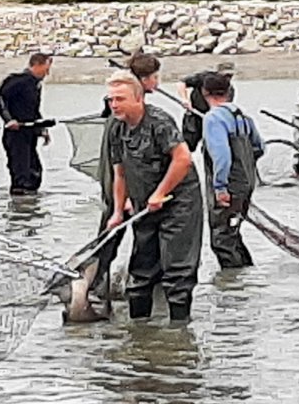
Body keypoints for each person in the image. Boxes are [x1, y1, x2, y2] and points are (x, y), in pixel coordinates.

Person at [106, 71, 203, 322]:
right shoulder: (116, 128)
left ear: (138, 99)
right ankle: (140, 330)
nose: (114, 105)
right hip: (143, 205)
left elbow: (183, 158)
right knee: (141, 272)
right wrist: (118, 210)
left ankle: (179, 331)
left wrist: (161, 193)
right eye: (111, 100)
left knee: (177, 272)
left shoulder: (159, 122)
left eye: (120, 99)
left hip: (179, 202)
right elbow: (120, 173)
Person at [90, 53, 163, 311]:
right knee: (112, 232)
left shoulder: (142, 114)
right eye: (155, 77)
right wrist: (127, 198)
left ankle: (118, 282)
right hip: (119, 186)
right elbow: (122, 165)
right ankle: (98, 282)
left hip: (124, 186)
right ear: (144, 80)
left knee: (127, 234)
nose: (158, 81)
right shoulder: (120, 118)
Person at [201, 72, 265, 269]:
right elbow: (259, 147)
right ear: (229, 92)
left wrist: (220, 187)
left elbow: (222, 156)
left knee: (222, 240)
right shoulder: (242, 116)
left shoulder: (213, 119)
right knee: (233, 234)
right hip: (246, 185)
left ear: (204, 93)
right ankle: (246, 278)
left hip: (228, 189)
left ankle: (233, 288)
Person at [0, 52, 53, 195]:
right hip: (15, 134)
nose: (47, 74)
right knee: (21, 174)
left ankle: (31, 207)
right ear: (36, 65)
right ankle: (19, 205)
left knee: (34, 173)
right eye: (46, 69)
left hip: (29, 132)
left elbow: (32, 111)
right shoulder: (17, 81)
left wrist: (42, 130)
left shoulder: (36, 85)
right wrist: (8, 119)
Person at [176, 61, 236, 152]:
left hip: (214, 120)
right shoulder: (204, 78)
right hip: (195, 116)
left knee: (213, 147)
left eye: (230, 76)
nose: (227, 78)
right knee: (187, 147)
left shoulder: (230, 90)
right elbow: (181, 83)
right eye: (225, 75)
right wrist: (185, 100)